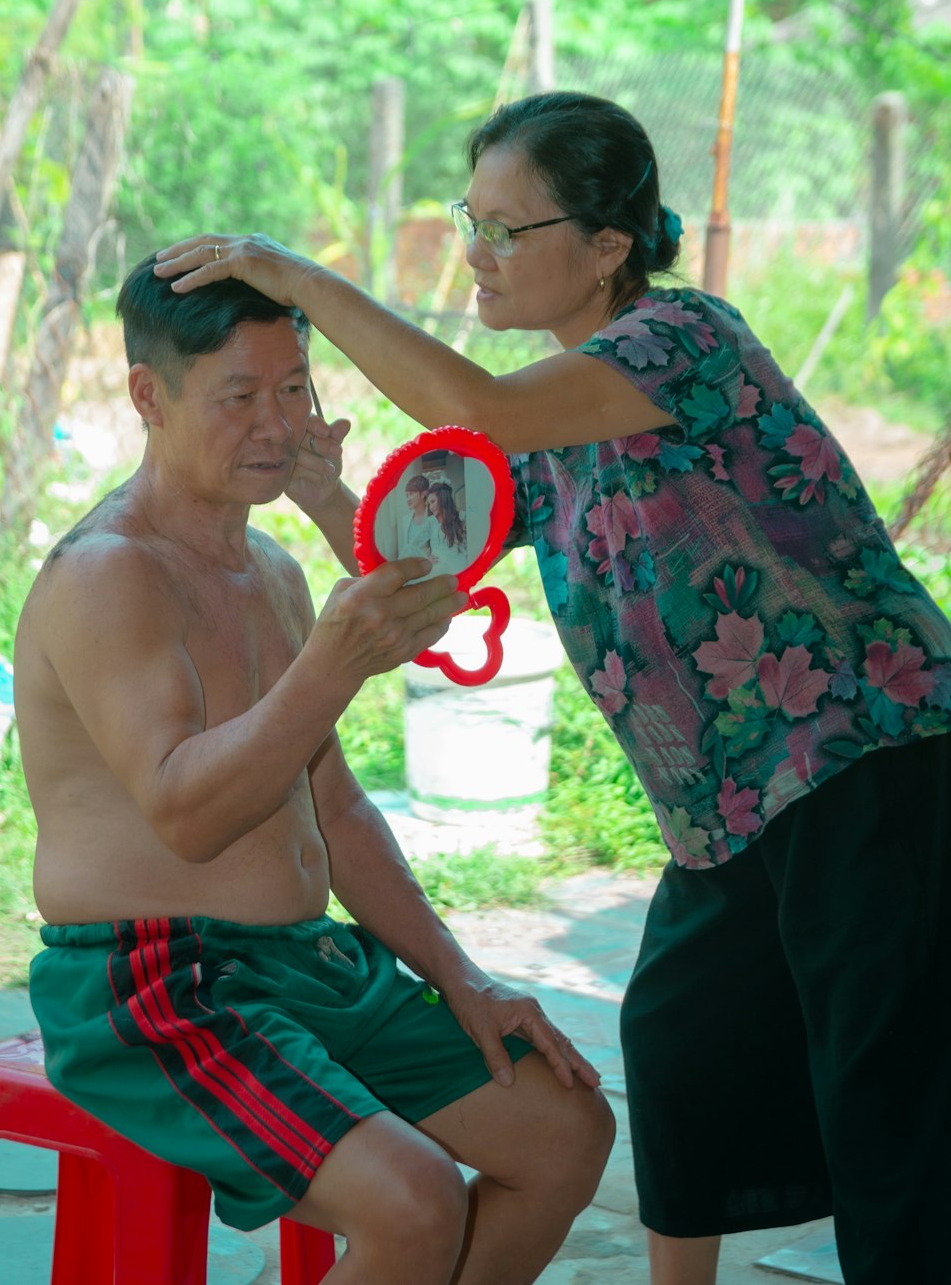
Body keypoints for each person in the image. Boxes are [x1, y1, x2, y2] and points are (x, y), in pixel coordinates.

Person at [154, 89, 951, 1285]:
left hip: (862, 763)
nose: (474, 254)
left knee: (885, 1096)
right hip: (729, 809)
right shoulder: (554, 423)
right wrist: (328, 490)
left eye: (504, 230)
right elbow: (425, 578)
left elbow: (471, 404)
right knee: (679, 1043)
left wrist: (302, 279)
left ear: (608, 247)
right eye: (466, 220)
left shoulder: (679, 343)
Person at [13, 252, 615, 1285]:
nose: (275, 423)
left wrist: (460, 977)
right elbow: (188, 816)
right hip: (156, 982)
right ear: (147, 395)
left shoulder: (275, 570)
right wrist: (332, 665)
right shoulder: (109, 575)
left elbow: (329, 804)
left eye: (292, 388)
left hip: (302, 966)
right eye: (238, 396)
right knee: (413, 1198)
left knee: (565, 1128)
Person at [426, 479, 468, 574]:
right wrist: (426, 558)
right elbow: (415, 545)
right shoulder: (430, 522)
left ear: (443, 499)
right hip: (436, 568)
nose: (430, 507)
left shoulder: (461, 517)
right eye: (429, 504)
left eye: (433, 502)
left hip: (455, 565)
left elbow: (466, 543)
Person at [398, 471, 439, 561]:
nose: (408, 499)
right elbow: (403, 549)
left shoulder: (433, 517)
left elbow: (438, 547)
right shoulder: (405, 520)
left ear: (423, 493)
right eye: (407, 495)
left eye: (411, 494)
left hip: (430, 568)